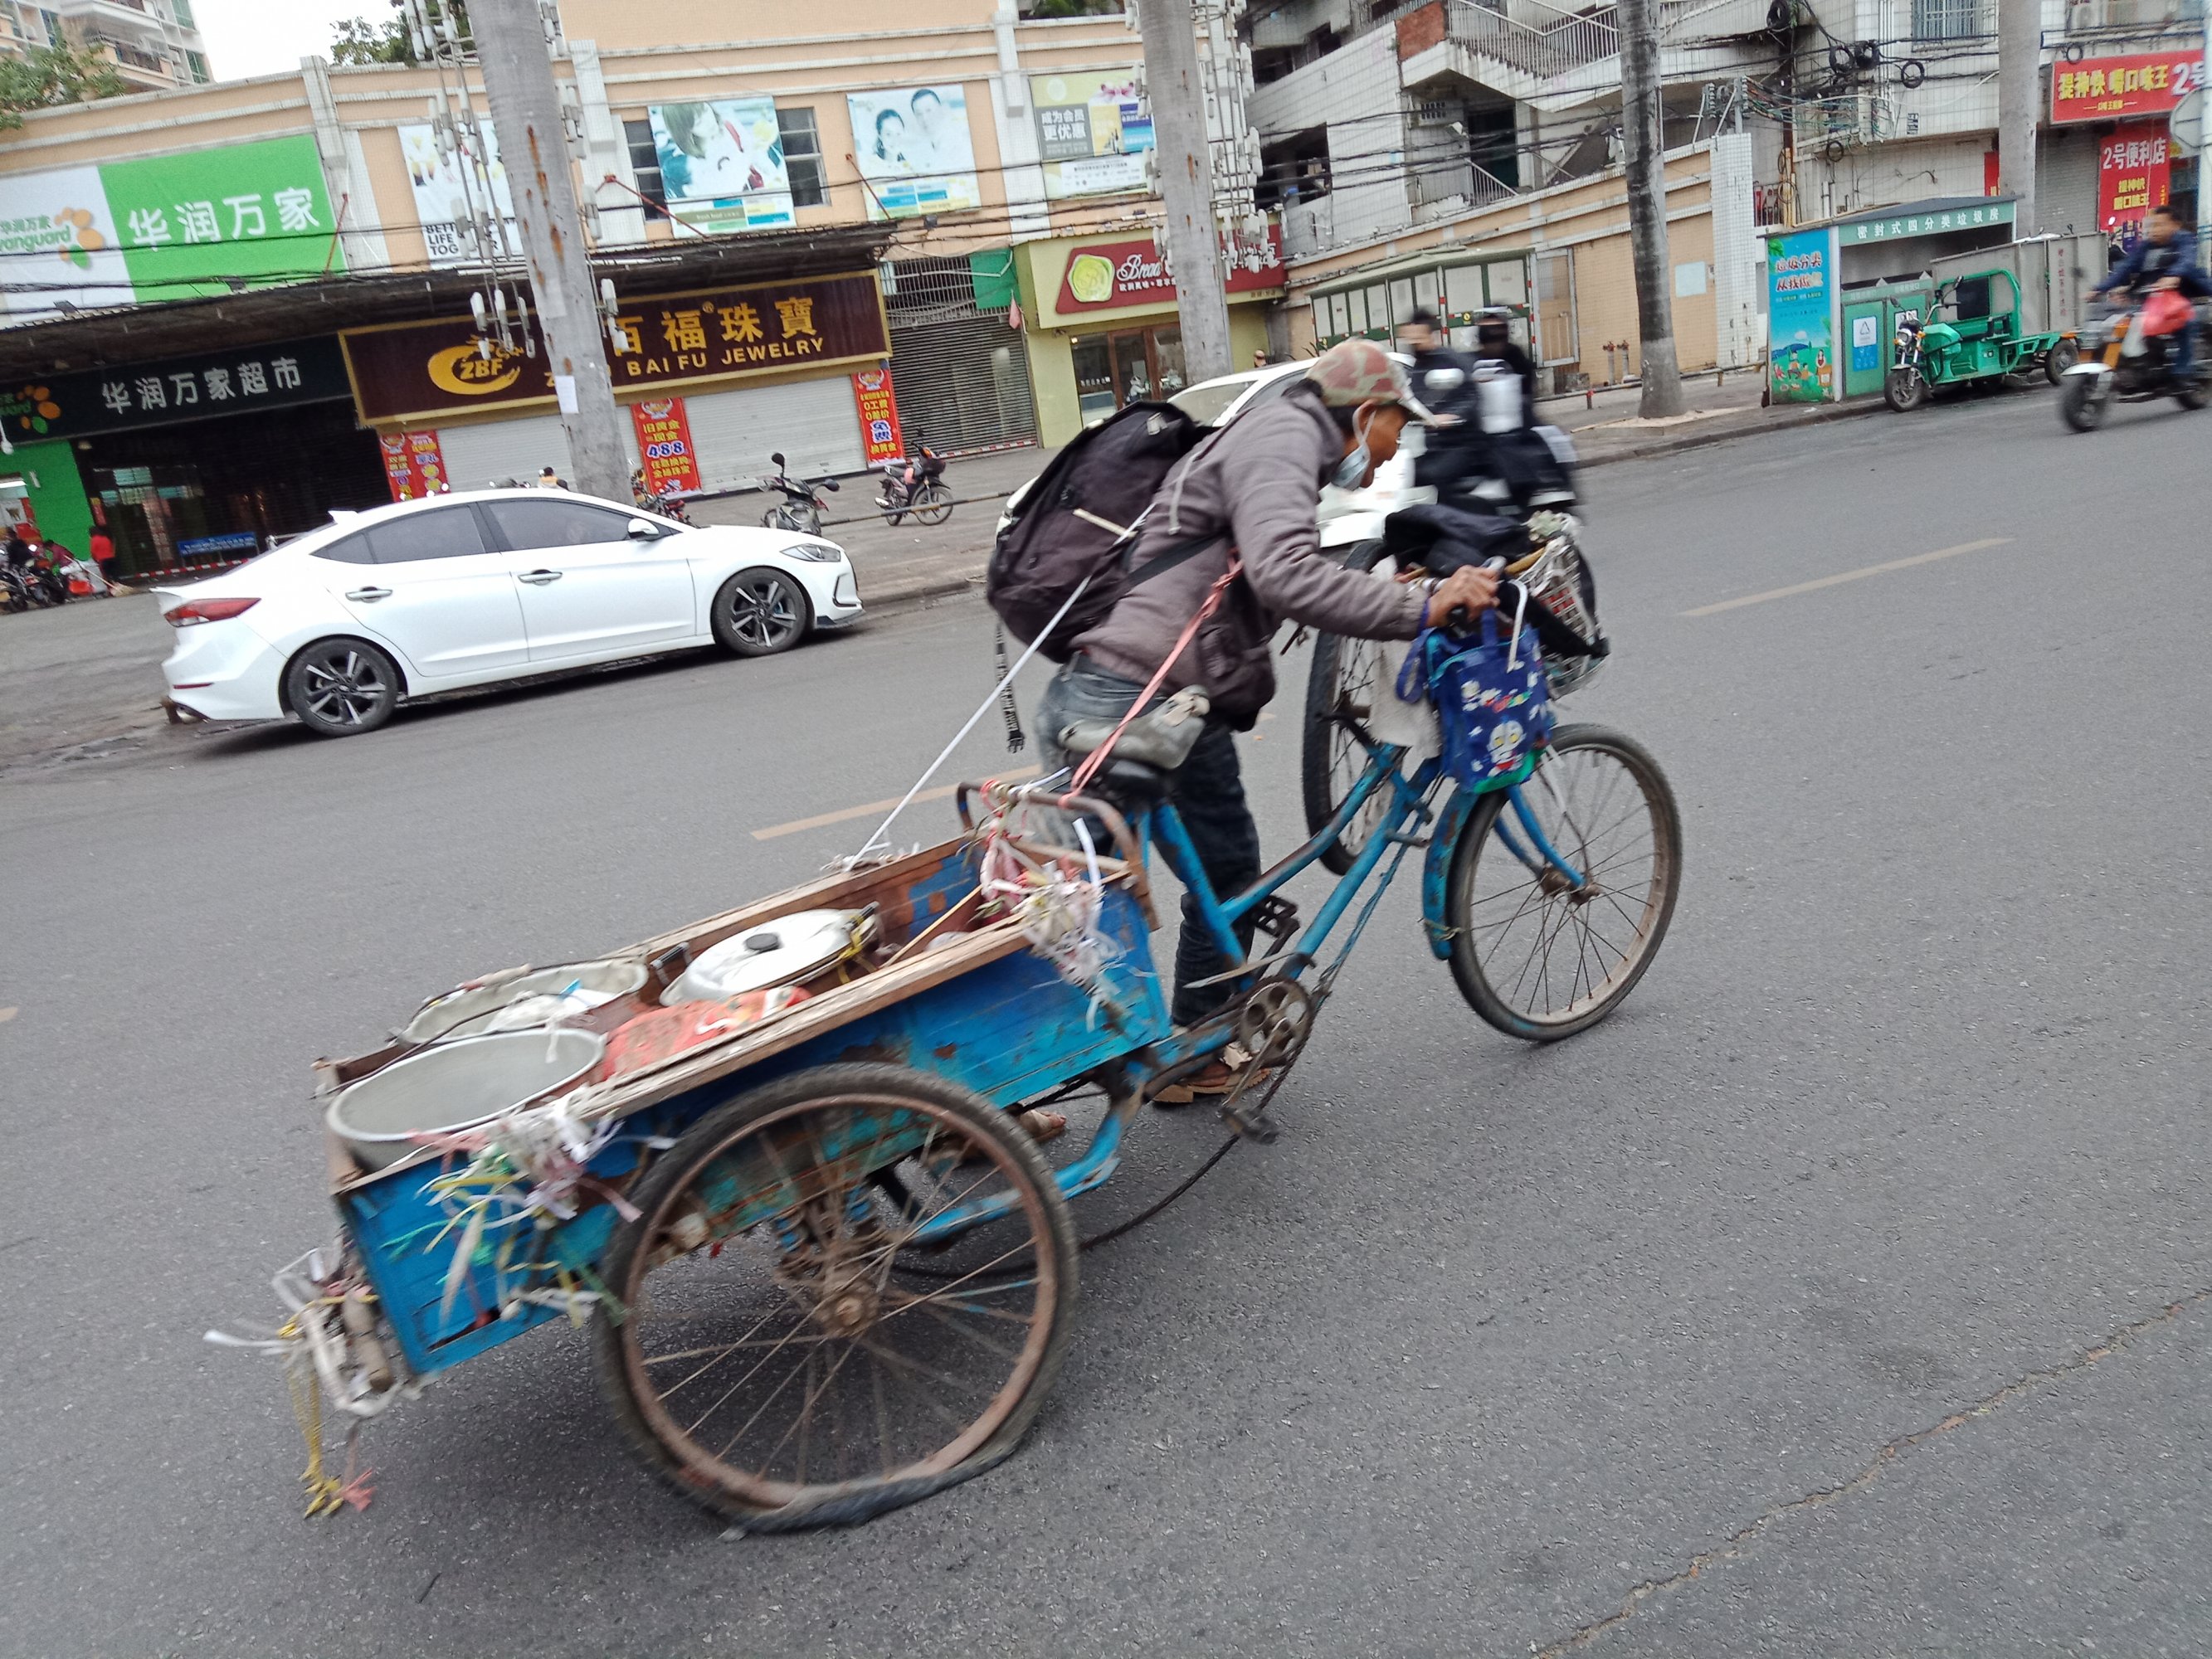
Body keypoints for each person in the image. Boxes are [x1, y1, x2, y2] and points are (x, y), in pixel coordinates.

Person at [1035, 338, 1499, 1100]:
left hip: (1159, 697)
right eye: (1398, 428)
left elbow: (1269, 565)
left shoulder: (1276, 439)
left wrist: (1394, 589)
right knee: (1073, 911)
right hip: (1137, 698)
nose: (1395, 450)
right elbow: (1287, 575)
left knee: (1207, 878)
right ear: (1368, 413)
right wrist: (1420, 606)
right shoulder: (1286, 436)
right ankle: (984, 1098)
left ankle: (1193, 1049)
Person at [2093, 203, 2208, 378]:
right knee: (2122, 323)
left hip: (2184, 298)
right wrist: (2099, 289)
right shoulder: (2146, 247)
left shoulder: (2185, 240)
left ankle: (2183, 373)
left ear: (2175, 225)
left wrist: (2173, 276)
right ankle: (2138, 366)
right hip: (2153, 302)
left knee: (2186, 324)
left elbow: (2186, 261)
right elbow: (2126, 267)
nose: (2155, 230)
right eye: (2153, 225)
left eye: (2161, 225)